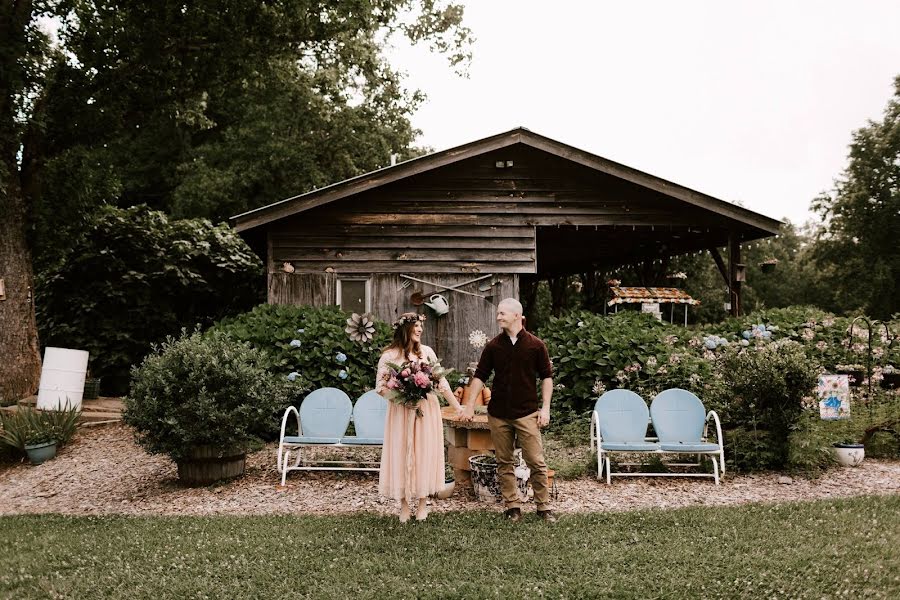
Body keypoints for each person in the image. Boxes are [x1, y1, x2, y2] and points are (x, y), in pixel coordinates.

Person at [461, 298, 556, 523]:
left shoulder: (536, 345)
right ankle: (512, 506)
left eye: (502, 313)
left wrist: (546, 409)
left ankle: (543, 507)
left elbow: (547, 378)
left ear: (516, 315)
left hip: (527, 414)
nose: (498, 317)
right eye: (498, 313)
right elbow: (480, 377)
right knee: (504, 462)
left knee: (536, 462)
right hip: (499, 414)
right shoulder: (493, 346)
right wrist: (469, 406)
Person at [376, 312, 463, 522]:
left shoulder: (428, 353)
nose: (420, 329)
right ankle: (404, 504)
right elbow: (380, 388)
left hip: (426, 411)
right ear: (404, 329)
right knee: (402, 452)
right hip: (401, 412)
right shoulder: (389, 356)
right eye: (415, 326)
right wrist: (402, 399)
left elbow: (442, 383)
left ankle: (423, 503)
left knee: (424, 452)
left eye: (421, 326)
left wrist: (458, 407)